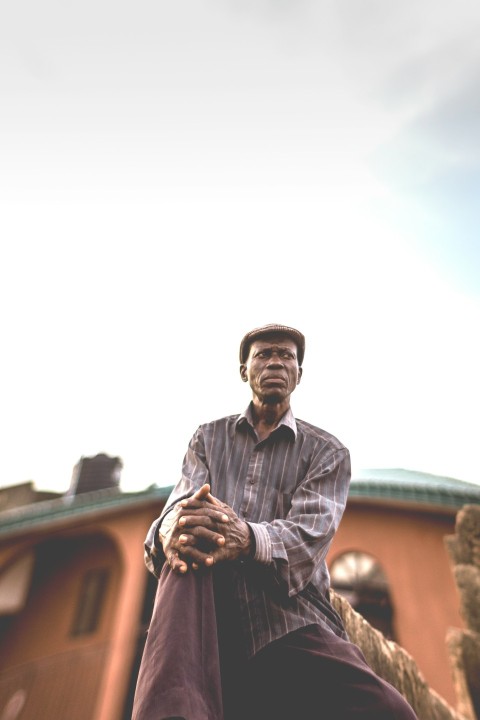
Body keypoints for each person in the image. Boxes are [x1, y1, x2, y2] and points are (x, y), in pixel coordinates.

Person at [132, 323, 418, 720]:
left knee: (389, 711)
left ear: (299, 374)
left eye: (286, 356)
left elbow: (307, 540)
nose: (276, 363)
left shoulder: (327, 451)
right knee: (186, 536)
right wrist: (166, 529)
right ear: (243, 370)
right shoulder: (207, 438)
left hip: (288, 617)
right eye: (264, 354)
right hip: (208, 613)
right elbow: (181, 505)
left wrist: (247, 537)